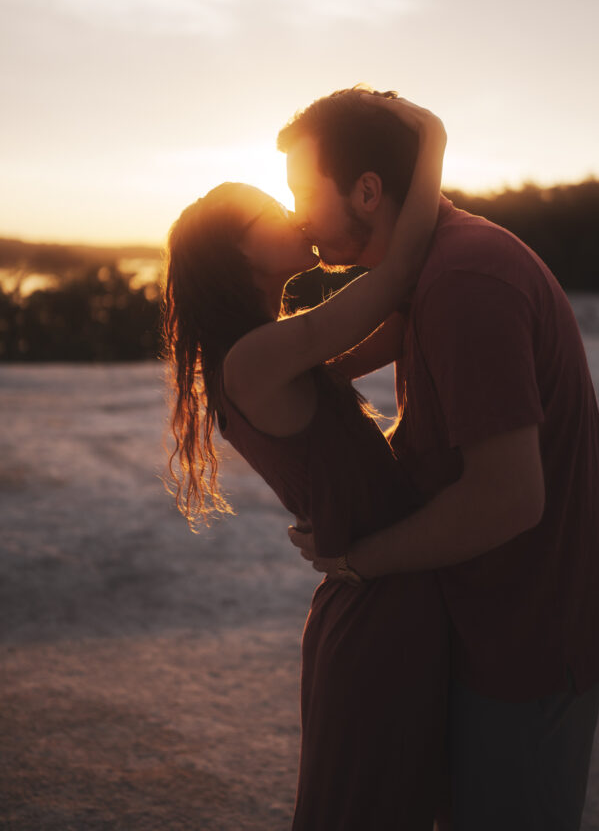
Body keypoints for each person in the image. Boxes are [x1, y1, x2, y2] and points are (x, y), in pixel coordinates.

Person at [283, 85, 599, 831]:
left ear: (366, 190)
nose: (296, 217)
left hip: (531, 639)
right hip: (495, 619)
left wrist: (360, 557)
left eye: (300, 192)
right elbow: (399, 363)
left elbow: (511, 496)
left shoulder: (465, 283)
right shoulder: (437, 267)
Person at [162, 94, 453, 830]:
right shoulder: (258, 357)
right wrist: (433, 147)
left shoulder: (273, 350)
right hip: (377, 607)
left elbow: (397, 320)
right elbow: (396, 281)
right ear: (238, 253)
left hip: (380, 593)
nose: (296, 219)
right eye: (275, 212)